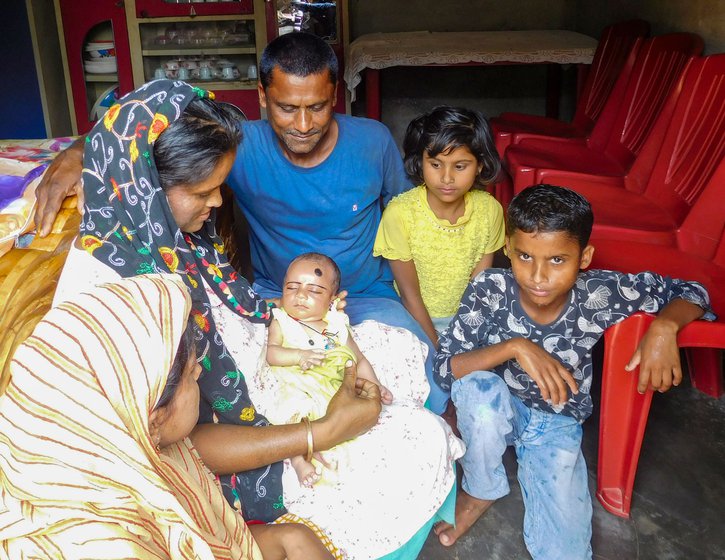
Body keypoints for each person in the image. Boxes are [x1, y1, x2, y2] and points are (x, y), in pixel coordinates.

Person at [48, 79, 463, 559]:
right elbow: (173, 448)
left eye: (220, 186)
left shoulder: (158, 234)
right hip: (237, 443)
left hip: (261, 370)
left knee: (394, 349)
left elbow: (232, 311)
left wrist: (309, 323)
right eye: (204, 190)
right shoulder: (125, 305)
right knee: (421, 440)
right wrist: (320, 432)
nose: (219, 202)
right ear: (147, 186)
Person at [33, 31, 451, 415]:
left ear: (336, 95)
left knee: (425, 388)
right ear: (263, 96)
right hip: (279, 301)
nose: (303, 125)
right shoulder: (238, 146)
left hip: (366, 296)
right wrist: (79, 151)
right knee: (284, 398)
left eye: (317, 107)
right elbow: (149, 138)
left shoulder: (374, 141)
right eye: (287, 108)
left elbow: (408, 224)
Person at [432, 184, 714, 558]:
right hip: (497, 407)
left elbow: (692, 290)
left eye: (557, 260)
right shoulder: (489, 289)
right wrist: (516, 347)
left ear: (584, 257)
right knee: (476, 392)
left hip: (557, 420)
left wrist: (665, 327)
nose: (537, 276)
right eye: (524, 256)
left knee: (563, 551)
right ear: (508, 248)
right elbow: (445, 369)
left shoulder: (600, 293)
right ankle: (481, 487)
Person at [0, 274, 334, 559]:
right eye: (191, 373)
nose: (202, 371)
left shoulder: (119, 441)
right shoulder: (104, 544)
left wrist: (287, 538)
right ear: (155, 419)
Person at [373, 105, 504, 348]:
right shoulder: (400, 214)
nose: (446, 178)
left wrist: (463, 340)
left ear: (480, 166)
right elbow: (409, 296)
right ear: (420, 162)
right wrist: (438, 348)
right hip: (414, 318)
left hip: (469, 319)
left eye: (460, 166)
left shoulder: (489, 211)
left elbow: (479, 288)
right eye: (435, 164)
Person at [265, 252, 393, 487]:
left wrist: (376, 385)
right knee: (290, 412)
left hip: (331, 389)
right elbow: (271, 353)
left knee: (349, 418)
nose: (301, 296)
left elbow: (359, 361)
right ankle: (298, 458)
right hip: (297, 385)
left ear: (332, 299)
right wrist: (298, 355)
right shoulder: (282, 320)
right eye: (292, 288)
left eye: (314, 291)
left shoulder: (336, 325)